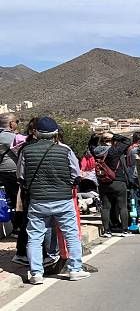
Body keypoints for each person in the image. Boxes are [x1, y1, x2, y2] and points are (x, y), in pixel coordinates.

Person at [16, 117, 88, 283]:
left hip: (38, 201)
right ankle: (75, 269)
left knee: (34, 237)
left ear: (36, 132)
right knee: (71, 234)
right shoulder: (65, 150)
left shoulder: (26, 151)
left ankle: (36, 274)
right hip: (63, 200)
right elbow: (76, 175)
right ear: (56, 132)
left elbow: (20, 177)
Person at [0, 113, 26, 237]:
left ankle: (16, 227)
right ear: (11, 124)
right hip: (11, 172)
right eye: (17, 121)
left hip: (4, 171)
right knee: (19, 200)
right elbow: (25, 146)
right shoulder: (7, 136)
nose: (17, 123)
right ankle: (18, 228)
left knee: (12, 199)